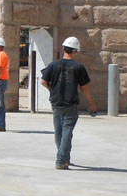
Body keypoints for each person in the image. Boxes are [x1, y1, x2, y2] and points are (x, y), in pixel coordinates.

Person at [40, 36, 97, 170]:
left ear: (63, 48)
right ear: (75, 51)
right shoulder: (79, 67)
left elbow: (43, 81)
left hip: (56, 103)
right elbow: (85, 89)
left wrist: (52, 90)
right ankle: (61, 159)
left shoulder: (53, 65)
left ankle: (64, 157)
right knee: (67, 131)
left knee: (59, 131)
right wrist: (92, 104)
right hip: (71, 103)